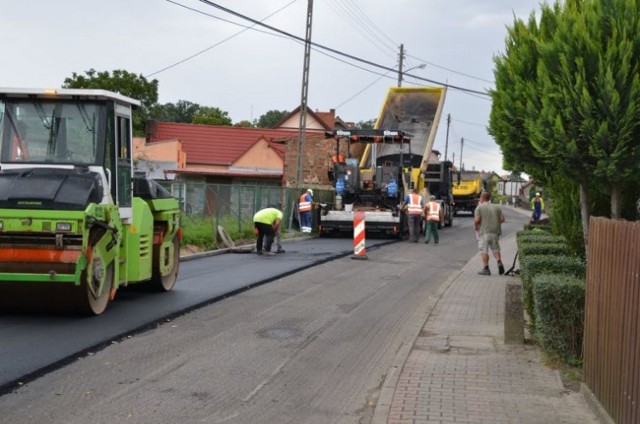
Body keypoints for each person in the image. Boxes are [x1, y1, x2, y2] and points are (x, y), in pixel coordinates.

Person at [474, 191, 506, 275]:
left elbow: (477, 220)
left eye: (480, 197)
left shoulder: (479, 208)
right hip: (495, 232)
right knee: (495, 249)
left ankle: (486, 269)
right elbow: (502, 219)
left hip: (484, 232)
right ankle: (499, 262)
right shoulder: (496, 207)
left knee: (484, 250)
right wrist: (494, 221)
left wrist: (476, 226)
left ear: (482, 198)